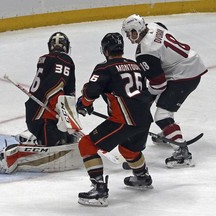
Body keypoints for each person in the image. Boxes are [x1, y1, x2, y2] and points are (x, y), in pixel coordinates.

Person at [76, 32, 154, 207]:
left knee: (86, 145)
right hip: (144, 118)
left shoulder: (104, 68)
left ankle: (98, 190)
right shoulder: (135, 65)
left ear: (105, 50)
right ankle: (142, 176)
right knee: (128, 149)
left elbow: (91, 92)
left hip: (124, 119)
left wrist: (84, 104)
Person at [122, 14, 208, 168]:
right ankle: (170, 132)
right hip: (191, 62)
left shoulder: (145, 52)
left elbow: (159, 85)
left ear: (139, 29)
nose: (129, 37)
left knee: (162, 115)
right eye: (128, 33)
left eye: (131, 32)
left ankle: (182, 151)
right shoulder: (155, 25)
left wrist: (146, 96)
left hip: (184, 76)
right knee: (164, 104)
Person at [20, 31, 77, 146]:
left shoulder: (45, 59)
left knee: (70, 139)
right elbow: (53, 88)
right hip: (45, 116)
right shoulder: (64, 59)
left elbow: (66, 92)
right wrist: (63, 112)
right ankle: (37, 141)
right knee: (60, 145)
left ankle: (37, 140)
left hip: (36, 113)